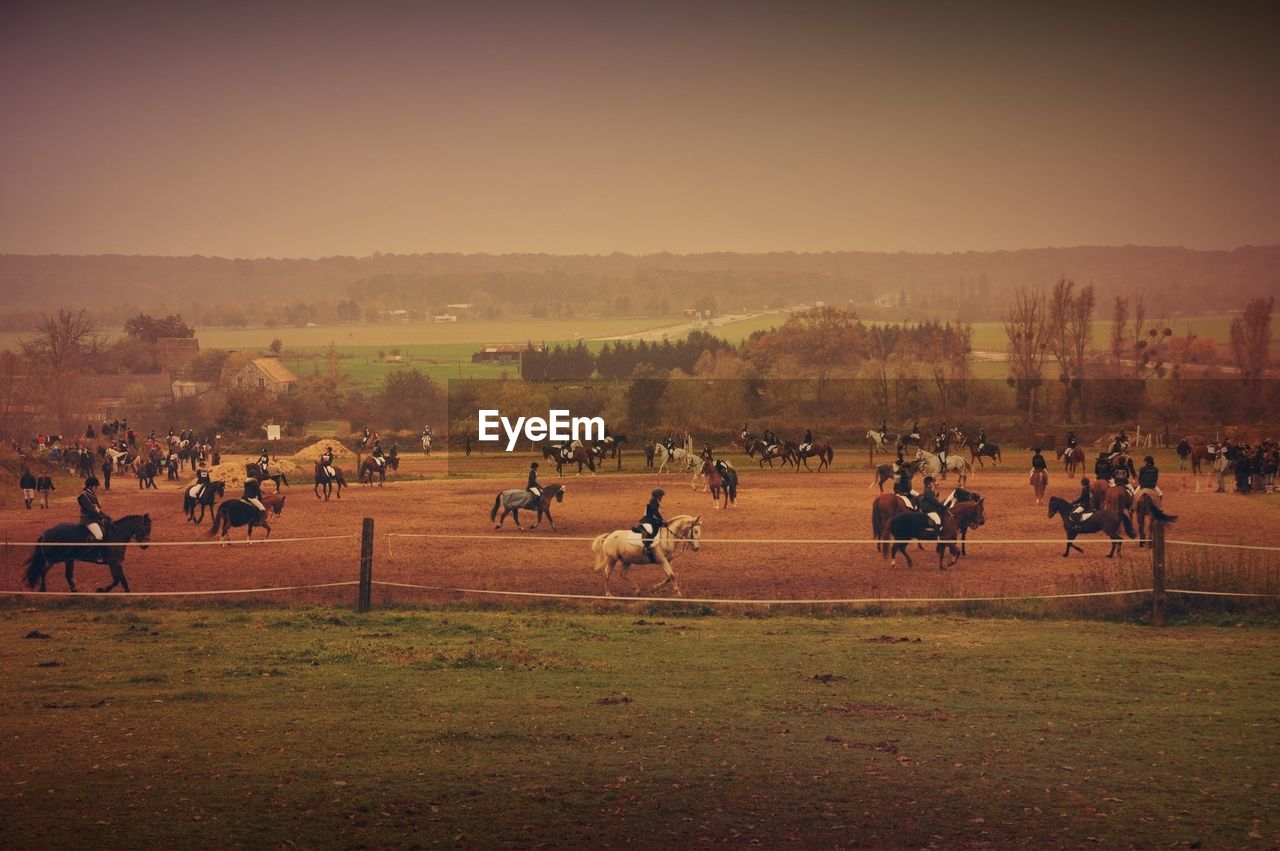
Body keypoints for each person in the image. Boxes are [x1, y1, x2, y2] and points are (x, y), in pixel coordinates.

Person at [78, 477, 110, 561]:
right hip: (88, 519)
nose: (97, 488)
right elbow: (90, 510)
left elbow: (98, 510)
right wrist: (102, 517)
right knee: (99, 535)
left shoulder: (93, 496)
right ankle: (96, 554)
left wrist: (106, 517)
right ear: (91, 486)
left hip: (95, 519)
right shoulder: (83, 496)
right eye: (96, 486)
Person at [637, 488, 666, 562]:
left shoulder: (655, 502)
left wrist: (661, 521)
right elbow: (655, 513)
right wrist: (661, 520)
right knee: (650, 530)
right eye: (661, 496)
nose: (662, 498)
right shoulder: (653, 502)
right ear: (658, 496)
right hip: (647, 519)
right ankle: (646, 547)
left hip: (652, 519)